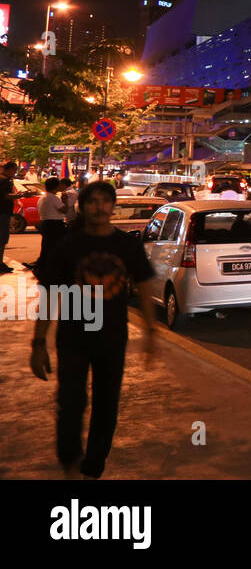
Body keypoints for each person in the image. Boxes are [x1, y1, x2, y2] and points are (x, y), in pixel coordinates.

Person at [30, 180, 157, 480]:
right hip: (73, 337)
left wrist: (152, 333)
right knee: (70, 404)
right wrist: (38, 344)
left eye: (105, 201)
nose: (99, 207)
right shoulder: (68, 246)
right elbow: (50, 294)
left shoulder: (127, 245)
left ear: (113, 207)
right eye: (93, 201)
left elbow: (144, 284)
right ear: (83, 207)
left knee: (106, 405)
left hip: (112, 339)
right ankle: (70, 463)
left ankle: (94, 467)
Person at [30, 177, 69, 281]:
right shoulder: (53, 198)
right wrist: (65, 201)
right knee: (54, 248)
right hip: (54, 224)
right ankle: (48, 269)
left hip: (45, 223)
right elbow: (65, 210)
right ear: (56, 186)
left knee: (47, 247)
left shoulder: (43, 197)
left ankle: (41, 267)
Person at [0, 161, 17, 274]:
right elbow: (5, 196)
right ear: (9, 169)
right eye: (14, 171)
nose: (15, 173)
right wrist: (21, 195)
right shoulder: (4, 181)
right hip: (2, 213)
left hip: (4, 213)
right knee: (2, 239)